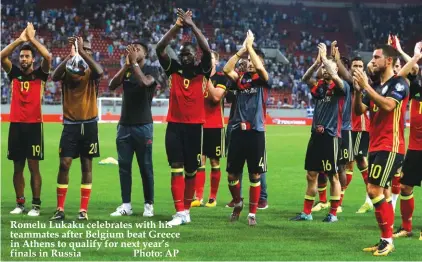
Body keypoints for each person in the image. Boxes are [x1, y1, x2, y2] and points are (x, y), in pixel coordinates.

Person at [156, 9, 212, 226]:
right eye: (182, 54)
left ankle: (186, 211)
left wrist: (192, 25)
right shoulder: (173, 69)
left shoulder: (202, 70)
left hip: (195, 127)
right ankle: (179, 211)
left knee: (191, 170)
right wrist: (177, 26)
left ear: (194, 56)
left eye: (189, 53)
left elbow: (207, 50)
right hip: (175, 126)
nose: (185, 57)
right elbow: (160, 48)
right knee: (176, 167)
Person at [353, 44, 409, 256]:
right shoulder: (375, 86)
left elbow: (388, 106)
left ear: (388, 61)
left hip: (391, 145)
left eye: (376, 57)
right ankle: (384, 239)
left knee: (374, 190)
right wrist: (359, 91)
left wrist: (365, 86)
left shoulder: (400, 83)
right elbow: (359, 110)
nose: (372, 61)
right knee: (380, 192)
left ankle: (388, 240)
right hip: (376, 145)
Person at [290, 43, 347, 223]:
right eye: (323, 67)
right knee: (311, 174)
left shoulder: (340, 86)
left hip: (331, 137)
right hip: (316, 135)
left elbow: (337, 79)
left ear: (335, 69)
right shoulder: (320, 86)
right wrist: (317, 63)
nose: (324, 68)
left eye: (327, 66)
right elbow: (305, 78)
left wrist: (327, 62)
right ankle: (307, 213)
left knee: (333, 175)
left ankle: (333, 214)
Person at [0, 23, 52, 216]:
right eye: (21, 56)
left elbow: (48, 57)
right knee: (17, 167)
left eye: (27, 56)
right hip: (16, 125)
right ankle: (20, 203)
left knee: (33, 166)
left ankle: (36, 205)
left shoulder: (41, 74)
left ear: (32, 59)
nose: (23, 59)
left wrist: (31, 40)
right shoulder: (13, 73)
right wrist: (20, 40)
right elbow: (1, 57)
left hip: (34, 126)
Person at [50, 36, 103, 220]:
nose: (83, 52)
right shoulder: (68, 70)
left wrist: (81, 52)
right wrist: (69, 57)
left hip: (89, 124)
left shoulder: (92, 72)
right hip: (71, 124)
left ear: (90, 53)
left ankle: (83, 210)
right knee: (64, 164)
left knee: (86, 165)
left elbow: (100, 71)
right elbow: (54, 76)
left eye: (87, 50)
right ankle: (60, 209)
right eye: (81, 49)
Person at [223, 30, 271, 226]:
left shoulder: (262, 80)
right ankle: (238, 201)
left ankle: (252, 213)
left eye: (254, 60)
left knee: (255, 174)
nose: (250, 62)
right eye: (249, 60)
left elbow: (261, 70)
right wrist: (242, 50)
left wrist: (250, 48)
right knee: (232, 174)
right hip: (237, 131)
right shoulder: (240, 79)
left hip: (256, 132)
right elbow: (226, 69)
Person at [108, 42, 156, 217]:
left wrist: (134, 63)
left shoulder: (151, 70)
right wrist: (126, 65)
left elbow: (144, 83)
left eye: (138, 48)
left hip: (143, 126)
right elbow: (112, 85)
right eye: (132, 48)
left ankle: (148, 205)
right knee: (124, 167)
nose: (134, 50)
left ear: (145, 53)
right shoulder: (127, 70)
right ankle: (126, 205)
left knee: (145, 167)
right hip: (124, 126)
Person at [393, 42, 422, 239]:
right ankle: (406, 227)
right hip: (415, 147)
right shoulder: (417, 87)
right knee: (405, 186)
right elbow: (407, 71)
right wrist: (412, 54)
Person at [191, 51, 227, 208]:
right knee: (200, 161)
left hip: (215, 125)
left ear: (216, 62)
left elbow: (216, 97)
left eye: (210, 58)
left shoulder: (221, 78)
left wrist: (205, 78)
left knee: (214, 161)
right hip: (199, 125)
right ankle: (198, 197)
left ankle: (212, 198)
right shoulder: (197, 78)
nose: (206, 61)